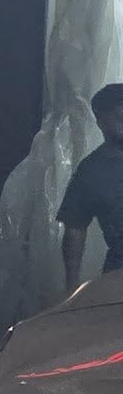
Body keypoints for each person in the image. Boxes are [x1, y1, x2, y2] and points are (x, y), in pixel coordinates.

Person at [58, 83, 123, 281]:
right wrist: (72, 286)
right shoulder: (91, 170)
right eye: (119, 115)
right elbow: (75, 227)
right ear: (100, 120)